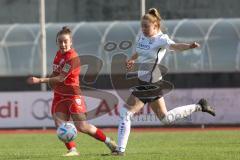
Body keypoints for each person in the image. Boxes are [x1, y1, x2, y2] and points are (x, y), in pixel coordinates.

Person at [112, 8, 216, 156]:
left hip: (150, 82)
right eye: (142, 26)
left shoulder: (161, 39)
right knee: (165, 118)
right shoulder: (142, 35)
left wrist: (189, 46)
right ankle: (199, 106)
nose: (144, 29)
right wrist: (132, 59)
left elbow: (175, 46)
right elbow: (140, 51)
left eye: (147, 26)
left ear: (155, 26)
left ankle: (120, 150)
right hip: (149, 82)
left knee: (125, 113)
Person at [27, 26, 117, 157]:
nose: (63, 44)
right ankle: (72, 150)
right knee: (59, 123)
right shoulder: (58, 54)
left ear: (71, 42)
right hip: (59, 95)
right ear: (57, 42)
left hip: (72, 94)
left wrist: (39, 80)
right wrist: (50, 78)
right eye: (60, 42)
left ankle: (109, 142)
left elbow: (61, 77)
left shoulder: (72, 57)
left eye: (65, 41)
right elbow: (55, 72)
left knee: (82, 126)